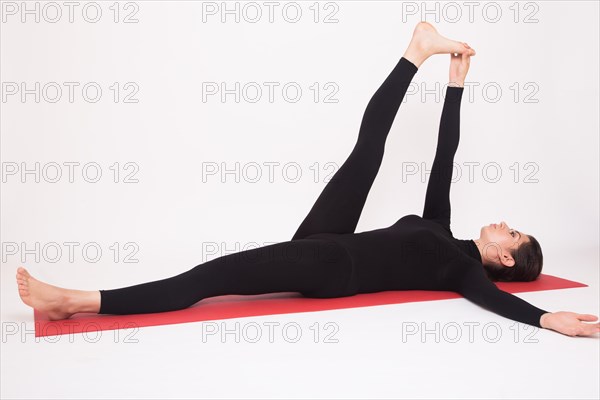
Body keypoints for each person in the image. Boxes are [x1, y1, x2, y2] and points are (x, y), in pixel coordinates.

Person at [15, 22, 599, 337]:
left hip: (331, 269)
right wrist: (456, 83)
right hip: (329, 239)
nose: (504, 224)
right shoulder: (443, 230)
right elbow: (447, 151)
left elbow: (495, 302)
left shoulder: (464, 269)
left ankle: (77, 300)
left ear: (503, 259)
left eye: (513, 234)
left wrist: (548, 319)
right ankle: (417, 51)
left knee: (208, 278)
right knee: (368, 152)